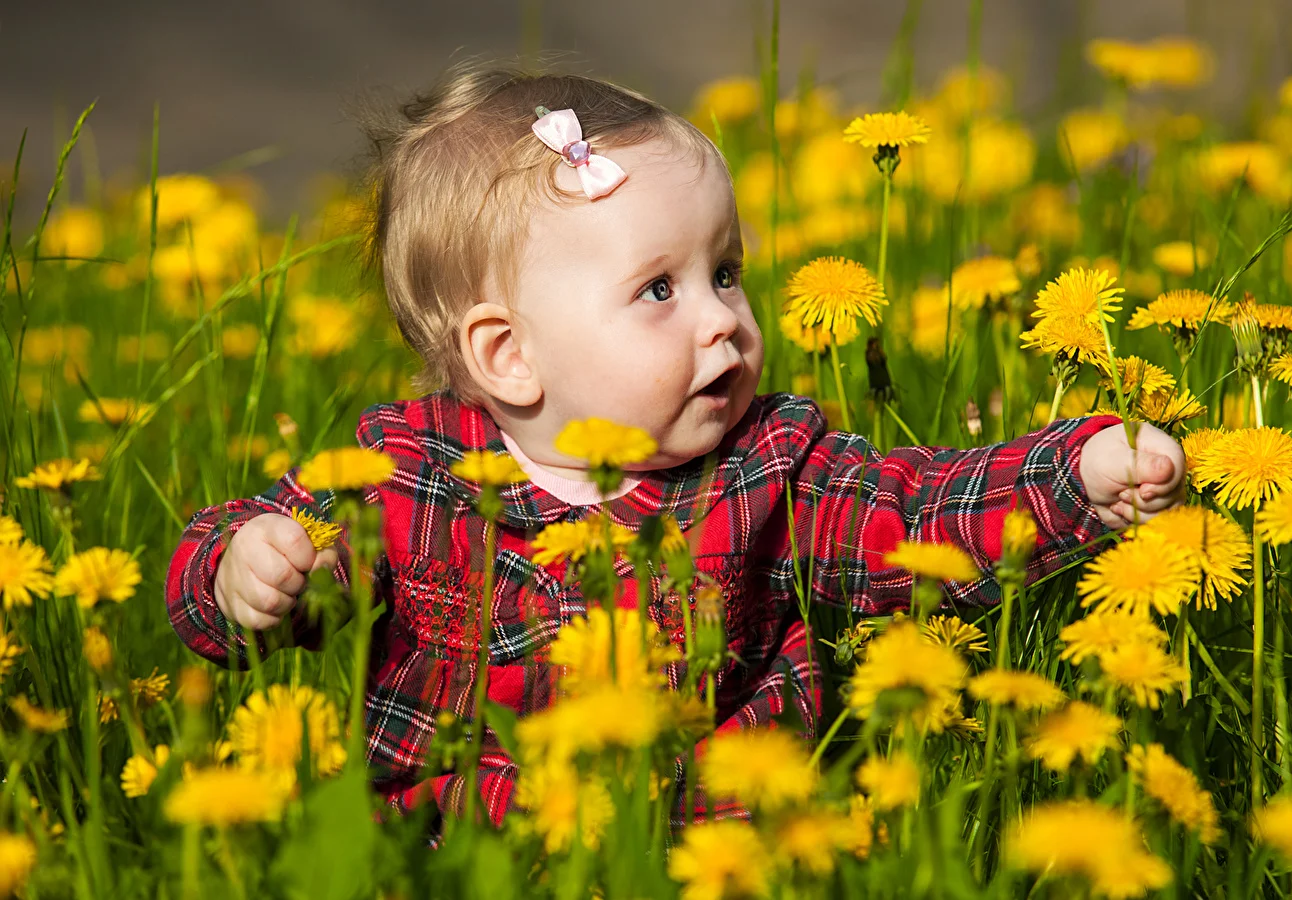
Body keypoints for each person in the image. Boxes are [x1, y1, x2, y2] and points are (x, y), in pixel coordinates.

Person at [165, 62, 1186, 833]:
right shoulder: (406, 475)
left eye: (725, 272)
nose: (721, 321)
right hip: (456, 851)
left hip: (713, 846)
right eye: (660, 289)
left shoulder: (767, 467)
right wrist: (249, 572)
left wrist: (1076, 474)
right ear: (508, 354)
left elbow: (917, 510)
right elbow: (233, 568)